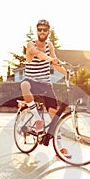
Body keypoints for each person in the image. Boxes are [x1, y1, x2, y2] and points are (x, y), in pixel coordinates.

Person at [20, 19, 70, 156]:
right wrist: (51, 59)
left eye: (44, 30)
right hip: (31, 80)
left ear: (49, 32)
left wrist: (66, 72)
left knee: (54, 116)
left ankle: (60, 147)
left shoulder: (50, 45)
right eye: (39, 29)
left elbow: (55, 63)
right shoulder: (31, 44)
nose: (42, 32)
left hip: (46, 84)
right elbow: (38, 54)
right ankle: (37, 119)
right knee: (23, 85)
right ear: (37, 31)